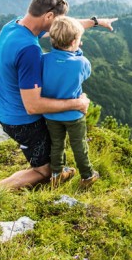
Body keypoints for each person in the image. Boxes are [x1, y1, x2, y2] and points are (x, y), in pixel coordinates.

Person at [0, 0, 116, 195]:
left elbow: (66, 28)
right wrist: (77, 103)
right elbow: (33, 106)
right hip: (22, 120)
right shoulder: (30, 51)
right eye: (57, 20)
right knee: (46, 171)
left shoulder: (13, 26)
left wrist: (95, 21)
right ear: (48, 16)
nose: (59, 26)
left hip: (4, 107)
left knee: (55, 154)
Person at [42, 16, 99, 188]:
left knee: (56, 144)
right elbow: (86, 72)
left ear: (52, 39)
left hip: (51, 114)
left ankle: (57, 173)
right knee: (78, 144)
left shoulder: (43, 60)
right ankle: (87, 175)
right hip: (74, 114)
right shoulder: (81, 62)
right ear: (75, 41)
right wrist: (77, 52)